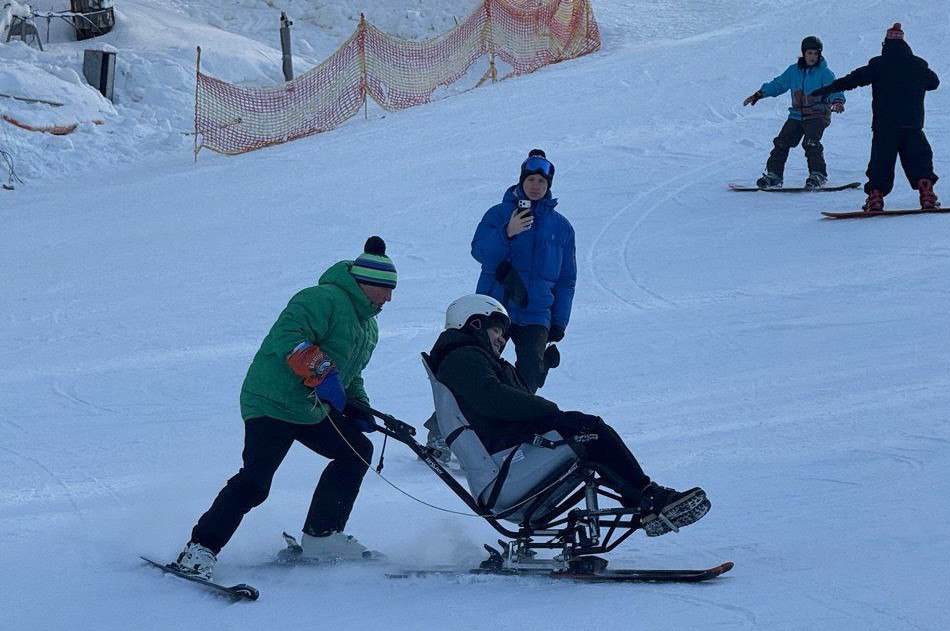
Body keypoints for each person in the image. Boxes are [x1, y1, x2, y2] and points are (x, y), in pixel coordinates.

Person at [170, 236, 397, 579]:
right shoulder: (322, 298)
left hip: (309, 408)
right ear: (367, 284)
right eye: (386, 289)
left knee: (356, 450)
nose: (390, 298)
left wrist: (359, 404)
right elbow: (288, 337)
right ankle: (199, 549)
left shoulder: (368, 326)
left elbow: (351, 373)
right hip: (271, 401)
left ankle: (322, 536)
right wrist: (322, 372)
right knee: (256, 482)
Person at [426, 294, 711, 536]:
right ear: (474, 322)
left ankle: (646, 498)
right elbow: (494, 401)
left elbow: (511, 400)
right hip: (504, 472)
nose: (502, 339)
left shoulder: (471, 359)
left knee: (584, 429)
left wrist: (541, 370)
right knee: (590, 430)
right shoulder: (462, 356)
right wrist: (551, 413)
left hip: (508, 460)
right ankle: (649, 498)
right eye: (496, 330)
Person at [424, 149, 576, 460]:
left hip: (536, 314)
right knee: (472, 372)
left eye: (541, 181)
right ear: (521, 182)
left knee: (529, 375)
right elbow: (481, 253)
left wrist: (559, 320)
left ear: (549, 185)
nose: (535, 186)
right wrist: (508, 232)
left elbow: (566, 279)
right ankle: (440, 434)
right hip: (495, 309)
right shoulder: (498, 214)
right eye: (530, 179)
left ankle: (501, 433)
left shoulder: (562, 228)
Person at [811, 23, 940, 211]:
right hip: (912, 124)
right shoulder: (917, 65)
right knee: (919, 159)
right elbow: (934, 82)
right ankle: (927, 195)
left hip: (884, 125)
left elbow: (853, 79)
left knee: (881, 162)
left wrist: (828, 89)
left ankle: (875, 198)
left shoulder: (878, 64)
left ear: (885, 44)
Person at [743, 36, 846, 189]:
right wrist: (759, 94)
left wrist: (838, 101)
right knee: (781, 142)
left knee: (811, 143)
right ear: (804, 53)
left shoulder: (825, 73)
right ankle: (774, 175)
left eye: (815, 54)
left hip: (818, 115)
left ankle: (818, 174)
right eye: (809, 53)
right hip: (796, 115)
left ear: (819, 55)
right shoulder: (794, 71)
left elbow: (835, 89)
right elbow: (778, 84)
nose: (812, 57)